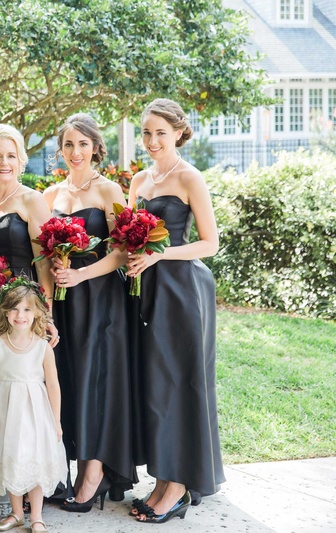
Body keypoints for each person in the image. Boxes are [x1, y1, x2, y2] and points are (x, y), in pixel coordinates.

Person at [126, 98, 224, 523]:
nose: (151, 141)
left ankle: (180, 486)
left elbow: (210, 243)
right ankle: (163, 478)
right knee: (156, 385)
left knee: (182, 382)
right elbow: (129, 237)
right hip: (147, 290)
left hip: (184, 290)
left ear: (179, 133)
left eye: (160, 133)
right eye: (146, 133)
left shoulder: (189, 177)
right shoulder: (138, 181)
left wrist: (159, 256)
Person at [43, 113, 136, 510]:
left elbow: (122, 250)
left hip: (100, 300)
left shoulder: (109, 189)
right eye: (68, 145)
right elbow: (43, 255)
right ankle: (71, 468)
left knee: (96, 381)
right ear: (61, 150)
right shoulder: (50, 195)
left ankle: (94, 474)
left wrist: (81, 275)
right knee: (70, 380)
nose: (76, 152)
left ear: (96, 147)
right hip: (64, 304)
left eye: (83, 144)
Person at [0, 277, 67, 533]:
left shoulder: (43, 348)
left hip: (35, 414)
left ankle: (36, 516)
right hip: (5, 414)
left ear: (37, 313)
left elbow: (53, 386)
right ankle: (16, 513)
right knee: (10, 459)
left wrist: (55, 421)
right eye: (14, 309)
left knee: (34, 460)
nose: (20, 315)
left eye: (26, 309)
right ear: (5, 312)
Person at [0, 124, 58, 370]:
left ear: (20, 160)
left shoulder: (32, 200)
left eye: (11, 155)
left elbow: (43, 262)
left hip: (23, 305)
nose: (4, 162)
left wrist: (45, 313)